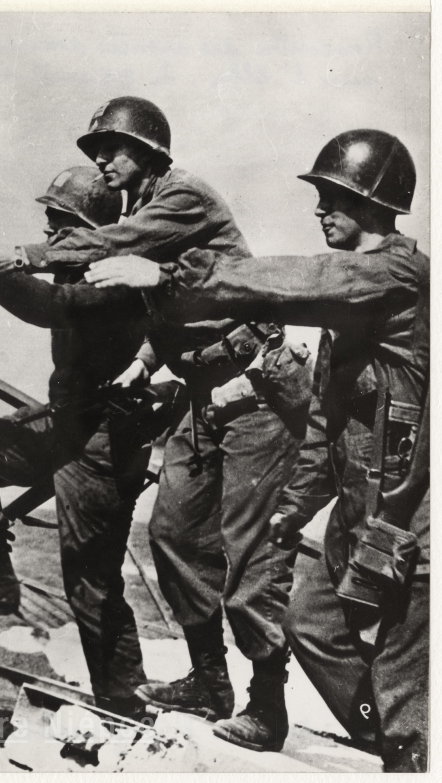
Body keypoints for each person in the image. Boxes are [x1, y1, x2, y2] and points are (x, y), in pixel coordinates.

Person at [0, 97, 300, 749]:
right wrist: (146, 358)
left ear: (150, 150)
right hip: (196, 394)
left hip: (250, 389)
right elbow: (167, 303)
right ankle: (208, 682)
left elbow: (82, 281)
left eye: (111, 147)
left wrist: (5, 261)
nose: (101, 158)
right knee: (172, 536)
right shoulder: (139, 218)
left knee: (247, 560)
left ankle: (261, 707)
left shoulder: (178, 201)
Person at [85, 129, 428, 771]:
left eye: (333, 198)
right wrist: (291, 512)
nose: (319, 210)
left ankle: (408, 750)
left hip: (409, 520)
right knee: (311, 622)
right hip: (362, 513)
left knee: (402, 674)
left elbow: (292, 281)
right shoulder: (350, 310)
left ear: (373, 205)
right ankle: (384, 736)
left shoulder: (395, 273)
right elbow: (324, 423)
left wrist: (165, 273)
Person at [0, 167, 162, 719]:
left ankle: (124, 702)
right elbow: (38, 282)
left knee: (90, 580)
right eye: (49, 222)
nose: (50, 234)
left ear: (93, 232)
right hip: (64, 424)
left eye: (61, 223)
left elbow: (49, 305)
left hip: (104, 440)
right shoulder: (72, 267)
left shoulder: (116, 278)